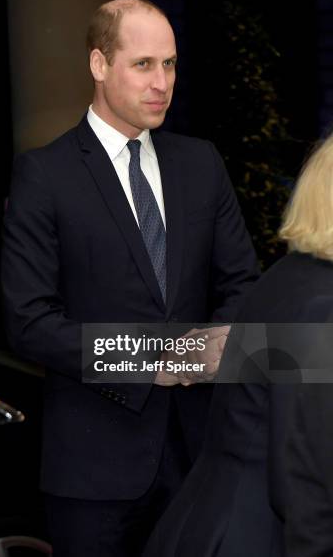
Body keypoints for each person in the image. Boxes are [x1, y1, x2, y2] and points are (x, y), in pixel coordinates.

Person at [1, 0, 258, 557]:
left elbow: (242, 283)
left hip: (201, 458)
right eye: (143, 64)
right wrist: (150, 362)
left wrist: (215, 346)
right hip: (93, 474)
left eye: (169, 64)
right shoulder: (45, 175)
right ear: (99, 65)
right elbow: (30, 322)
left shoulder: (200, 163)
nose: (161, 81)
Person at [143, 133, 333, 557]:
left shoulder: (290, 273)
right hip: (255, 535)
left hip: (212, 521)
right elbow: (304, 481)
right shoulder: (325, 304)